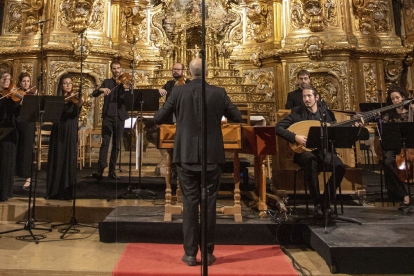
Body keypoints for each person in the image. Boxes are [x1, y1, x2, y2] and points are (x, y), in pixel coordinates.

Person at [154, 58, 241, 266]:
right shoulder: (218, 92)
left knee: (190, 203)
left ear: (190, 73)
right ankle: (208, 253)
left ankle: (191, 254)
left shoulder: (177, 92)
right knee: (209, 205)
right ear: (207, 72)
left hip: (185, 156)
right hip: (211, 157)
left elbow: (159, 117)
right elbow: (237, 116)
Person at [276, 84, 346, 218]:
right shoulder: (297, 112)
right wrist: (295, 137)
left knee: (340, 167)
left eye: (309, 96)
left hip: (324, 151)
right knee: (310, 160)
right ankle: (317, 203)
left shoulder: (326, 114)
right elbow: (278, 128)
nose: (306, 99)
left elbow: (335, 133)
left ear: (317, 97)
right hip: (304, 152)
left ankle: (326, 200)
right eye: (304, 96)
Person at [45, 75, 82, 200]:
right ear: (61, 85)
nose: (68, 85)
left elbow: (75, 114)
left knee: (69, 157)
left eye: (70, 83)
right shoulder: (57, 99)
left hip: (71, 130)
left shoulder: (75, 99)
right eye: (65, 83)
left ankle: (67, 191)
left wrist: (79, 102)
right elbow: (54, 114)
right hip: (59, 129)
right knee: (58, 157)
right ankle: (54, 190)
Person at [91, 61, 129, 180]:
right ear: (111, 70)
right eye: (114, 68)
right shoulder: (107, 82)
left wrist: (129, 88)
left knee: (116, 145)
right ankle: (100, 169)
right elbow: (94, 93)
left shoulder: (126, 83)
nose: (116, 70)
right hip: (108, 116)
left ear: (121, 69)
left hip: (120, 116)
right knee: (105, 144)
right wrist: (102, 89)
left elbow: (131, 96)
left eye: (118, 68)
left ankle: (112, 171)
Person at [381, 86, 414, 208]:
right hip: (395, 147)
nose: (395, 101)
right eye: (393, 99)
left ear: (403, 98)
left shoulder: (411, 111)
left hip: (411, 147)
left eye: (397, 98)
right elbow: (384, 131)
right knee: (388, 162)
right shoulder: (389, 115)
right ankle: (404, 194)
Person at [15, 72, 37, 189]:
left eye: (28, 81)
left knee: (28, 152)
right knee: (18, 151)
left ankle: (28, 178)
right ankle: (17, 176)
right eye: (24, 81)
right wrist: (19, 104)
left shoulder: (32, 94)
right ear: (20, 83)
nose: (26, 83)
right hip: (18, 125)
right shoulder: (16, 94)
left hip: (29, 126)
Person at [0, 69, 17, 201]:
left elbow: (17, 114)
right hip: (1, 132)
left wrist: (18, 101)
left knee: (7, 163)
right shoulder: (3, 97)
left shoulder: (12, 97)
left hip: (10, 132)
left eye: (8, 79)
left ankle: (5, 192)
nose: (7, 82)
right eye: (4, 79)